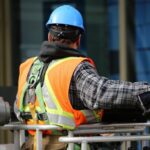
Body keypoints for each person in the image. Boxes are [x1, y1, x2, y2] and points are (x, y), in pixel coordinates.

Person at [14, 4, 150, 150]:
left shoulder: (28, 67)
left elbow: (19, 110)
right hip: (67, 145)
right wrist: (144, 93)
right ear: (78, 39)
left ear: (49, 36)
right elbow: (102, 92)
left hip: (34, 145)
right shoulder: (75, 68)